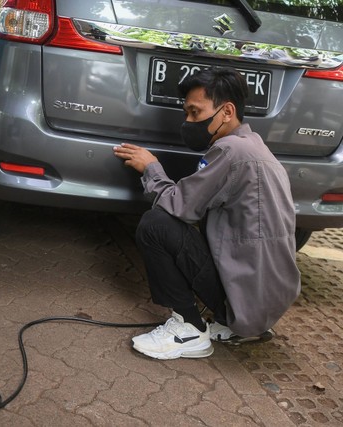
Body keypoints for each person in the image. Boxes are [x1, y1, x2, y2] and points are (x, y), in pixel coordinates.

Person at [113, 67, 301, 360]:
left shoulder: (230, 152)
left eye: (195, 112)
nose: (188, 121)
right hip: (265, 302)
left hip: (243, 302)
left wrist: (150, 166)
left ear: (227, 112)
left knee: (156, 223)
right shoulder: (257, 149)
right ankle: (234, 325)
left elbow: (179, 206)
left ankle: (188, 328)